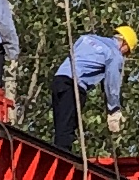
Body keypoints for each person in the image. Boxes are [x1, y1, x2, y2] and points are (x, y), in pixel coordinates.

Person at [50, 21, 133, 156]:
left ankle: (58, 152)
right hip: (74, 87)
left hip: (59, 79)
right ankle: (62, 159)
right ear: (124, 44)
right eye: (127, 52)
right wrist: (114, 109)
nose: (125, 55)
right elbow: (112, 84)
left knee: (60, 125)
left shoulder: (86, 38)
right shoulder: (114, 54)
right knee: (67, 129)